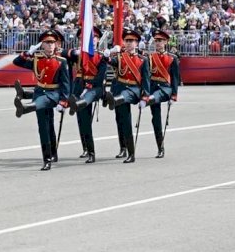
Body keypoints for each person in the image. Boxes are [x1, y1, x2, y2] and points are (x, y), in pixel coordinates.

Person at [12, 30, 71, 171]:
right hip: (39, 91)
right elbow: (17, 62)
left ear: (56, 44)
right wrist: (28, 53)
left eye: (52, 43)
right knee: (44, 127)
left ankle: (26, 108)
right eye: (47, 43)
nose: (50, 45)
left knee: (42, 104)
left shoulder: (61, 62)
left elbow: (66, 83)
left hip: (53, 93)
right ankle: (50, 155)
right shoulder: (37, 59)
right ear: (42, 45)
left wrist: (64, 101)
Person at [104, 29, 151, 164]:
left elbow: (146, 80)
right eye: (127, 41)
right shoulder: (119, 56)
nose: (129, 43)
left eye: (132, 41)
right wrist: (106, 56)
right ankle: (123, 147)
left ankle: (131, 153)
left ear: (136, 43)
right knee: (121, 120)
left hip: (133, 90)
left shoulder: (143, 60)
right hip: (118, 89)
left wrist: (145, 97)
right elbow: (110, 62)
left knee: (127, 120)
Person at [63, 27, 108, 164]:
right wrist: (73, 52)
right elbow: (63, 53)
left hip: (94, 88)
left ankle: (91, 151)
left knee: (86, 121)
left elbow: (100, 78)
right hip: (78, 87)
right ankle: (85, 148)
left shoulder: (100, 56)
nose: (90, 40)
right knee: (81, 120)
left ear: (97, 39)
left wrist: (89, 85)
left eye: (93, 37)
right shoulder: (78, 54)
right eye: (85, 38)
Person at [143, 29, 180, 158]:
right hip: (153, 87)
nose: (158, 43)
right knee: (156, 120)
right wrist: (145, 92)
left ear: (166, 42)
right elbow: (147, 76)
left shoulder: (172, 58)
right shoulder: (149, 57)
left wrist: (174, 95)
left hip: (165, 88)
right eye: (156, 41)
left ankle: (149, 99)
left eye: (161, 41)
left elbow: (175, 78)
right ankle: (160, 147)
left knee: (157, 97)